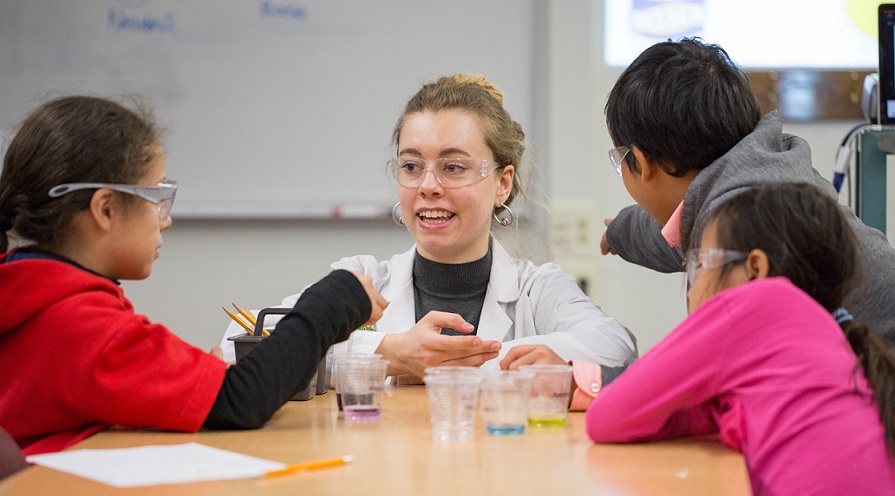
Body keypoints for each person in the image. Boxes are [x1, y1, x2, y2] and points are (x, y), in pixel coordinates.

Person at [0, 95, 388, 457]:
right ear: (105, 210)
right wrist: (335, 299)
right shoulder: (82, 325)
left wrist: (196, 387)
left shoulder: (28, 289)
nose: (165, 220)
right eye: (157, 199)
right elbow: (242, 400)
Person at [583, 183, 895, 496]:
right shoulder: (830, 334)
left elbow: (608, 417)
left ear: (754, 267)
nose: (692, 287)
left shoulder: (756, 302)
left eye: (701, 264)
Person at [220, 74, 637, 381]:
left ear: (502, 183)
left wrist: (468, 359)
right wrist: (386, 352)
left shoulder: (537, 289)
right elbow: (238, 339)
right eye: (411, 166)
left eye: (453, 167)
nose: (428, 187)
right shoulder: (363, 280)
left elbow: (618, 346)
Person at [600, 37, 895, 348]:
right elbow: (671, 233)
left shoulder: (743, 230)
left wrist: (596, 381)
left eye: (619, 161)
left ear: (643, 162)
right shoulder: (759, 176)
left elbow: (703, 369)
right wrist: (619, 232)